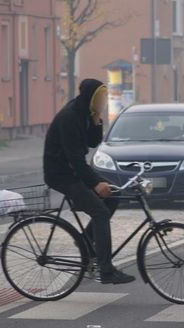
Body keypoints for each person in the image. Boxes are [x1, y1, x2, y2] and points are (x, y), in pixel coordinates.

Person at [43, 78, 135, 284]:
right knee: (100, 212)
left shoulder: (86, 113)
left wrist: (97, 120)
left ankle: (84, 240)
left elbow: (93, 142)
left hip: (73, 171)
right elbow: (75, 159)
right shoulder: (70, 117)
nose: (103, 101)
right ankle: (106, 270)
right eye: (100, 97)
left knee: (114, 194)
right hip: (60, 174)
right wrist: (95, 183)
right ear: (90, 97)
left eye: (104, 97)